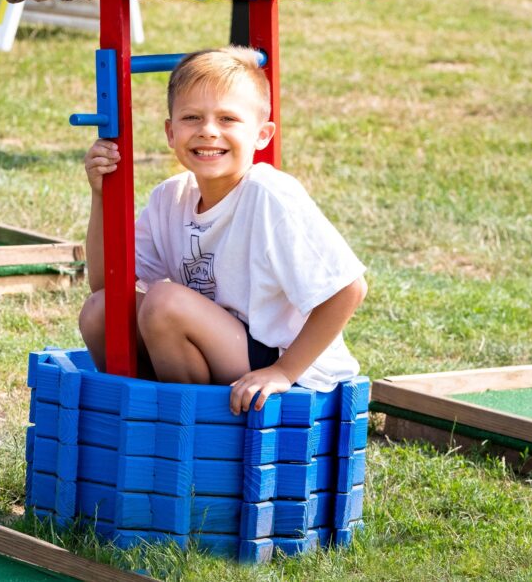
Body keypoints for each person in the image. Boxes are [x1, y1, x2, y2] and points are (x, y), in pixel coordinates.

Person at [78, 46, 366, 415]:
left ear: (262, 134)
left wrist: (283, 371)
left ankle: (190, 431)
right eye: (192, 117)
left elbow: (348, 289)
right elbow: (106, 286)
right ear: (170, 131)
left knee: (164, 304)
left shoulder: (268, 195)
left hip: (280, 357)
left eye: (228, 119)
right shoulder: (170, 197)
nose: (208, 131)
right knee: (100, 311)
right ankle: (144, 420)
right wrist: (101, 196)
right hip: (215, 346)